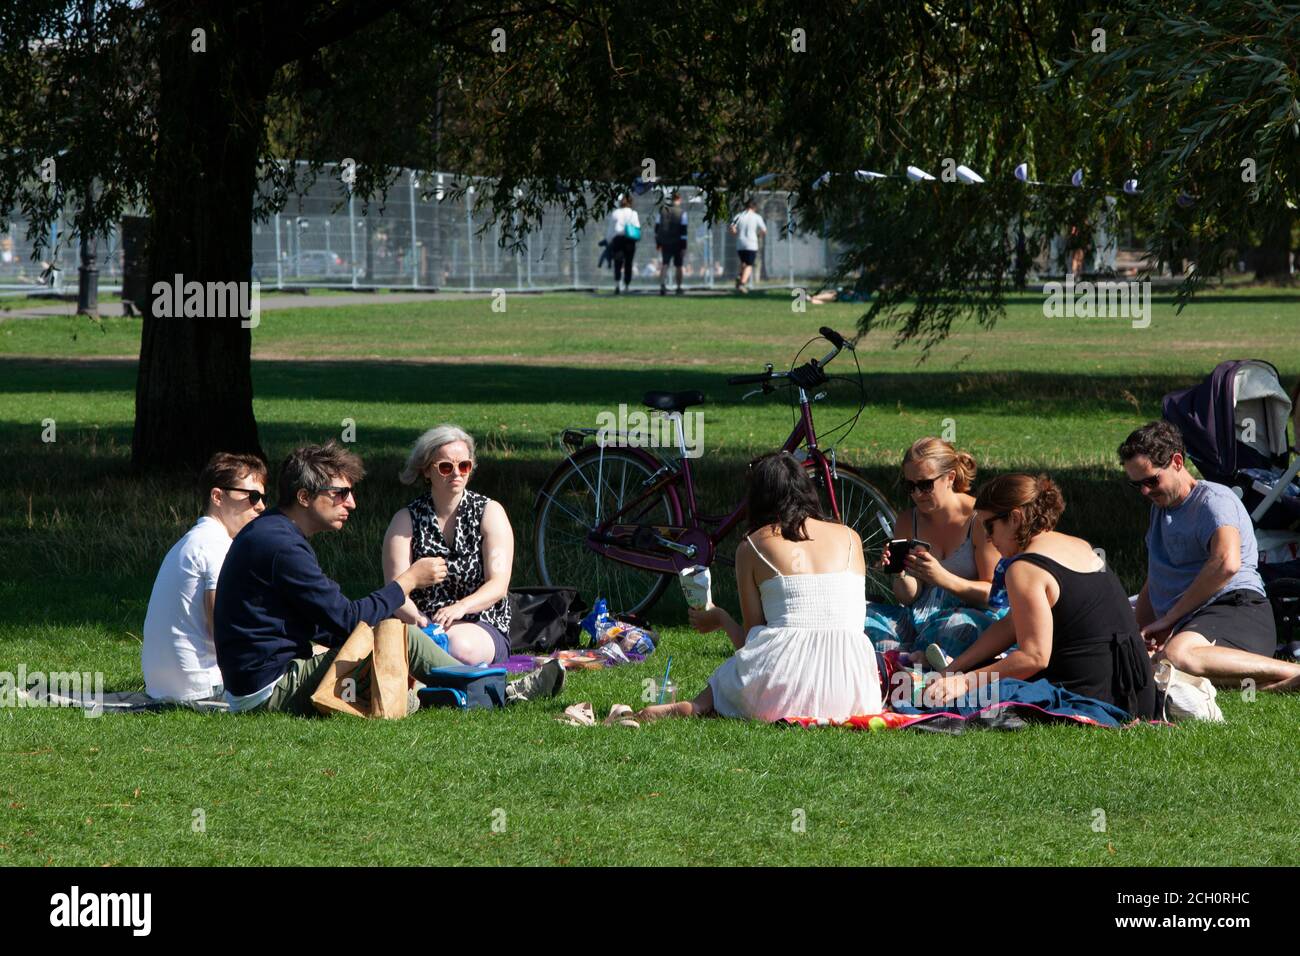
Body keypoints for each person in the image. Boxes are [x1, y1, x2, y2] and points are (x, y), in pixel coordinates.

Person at [214, 441, 562, 715]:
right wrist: (407, 582)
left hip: (257, 684)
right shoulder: (282, 547)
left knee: (391, 653)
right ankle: (501, 693)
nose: (351, 504)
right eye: (340, 494)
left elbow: (329, 624)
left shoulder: (275, 534)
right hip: (268, 690)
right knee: (401, 638)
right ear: (304, 497)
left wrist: (367, 637)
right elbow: (348, 621)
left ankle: (457, 694)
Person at [636, 452, 882, 723]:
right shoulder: (851, 537)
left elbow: (751, 644)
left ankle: (699, 704)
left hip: (782, 690)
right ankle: (699, 705)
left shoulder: (752, 546)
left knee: (730, 675)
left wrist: (720, 618)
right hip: (854, 690)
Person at [928, 474, 1157, 719]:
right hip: (1136, 691)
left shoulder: (1024, 569)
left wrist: (964, 683)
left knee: (960, 701)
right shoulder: (1079, 544)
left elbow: (1034, 657)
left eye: (989, 526)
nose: (986, 537)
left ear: (1015, 518)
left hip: (1090, 697)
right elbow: (1012, 624)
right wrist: (956, 669)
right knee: (979, 676)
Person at [1119, 421, 1300, 692]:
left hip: (1239, 610)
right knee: (1146, 664)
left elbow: (1226, 563)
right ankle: (1279, 685)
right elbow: (1155, 578)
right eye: (1137, 486)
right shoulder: (1161, 509)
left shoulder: (1214, 500)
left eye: (1151, 480)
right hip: (1195, 624)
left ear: (1177, 462)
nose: (1145, 491)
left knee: (1176, 657)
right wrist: (1137, 634)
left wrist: (1168, 620)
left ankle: (1293, 671)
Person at [383, 425, 514, 666]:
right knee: (427, 642)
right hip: (419, 623)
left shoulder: (489, 512)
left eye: (464, 466)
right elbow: (396, 591)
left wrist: (460, 608)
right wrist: (421, 622)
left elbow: (498, 585)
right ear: (426, 471)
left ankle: (429, 663)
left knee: (459, 647)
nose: (456, 473)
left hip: (480, 623)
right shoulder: (406, 519)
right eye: (445, 467)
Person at [141, 452, 267, 702]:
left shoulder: (194, 540)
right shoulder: (215, 545)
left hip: (164, 687)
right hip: (202, 688)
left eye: (262, 497)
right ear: (218, 496)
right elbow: (223, 629)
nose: (261, 506)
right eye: (252, 497)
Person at [865, 437, 1002, 663]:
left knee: (954, 627)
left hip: (968, 615)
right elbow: (908, 597)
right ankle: (917, 660)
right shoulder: (908, 521)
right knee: (863, 617)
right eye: (910, 486)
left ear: (950, 477)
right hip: (917, 617)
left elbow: (994, 595)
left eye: (925, 485)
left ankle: (902, 661)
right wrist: (899, 572)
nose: (917, 494)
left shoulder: (979, 519)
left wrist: (942, 578)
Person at [728, 198, 766, 292]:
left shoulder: (739, 216)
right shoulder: (756, 217)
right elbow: (764, 230)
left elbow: (732, 228)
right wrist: (758, 235)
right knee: (749, 265)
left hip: (740, 243)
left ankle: (740, 276)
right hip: (751, 243)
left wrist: (735, 232)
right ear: (754, 207)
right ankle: (742, 284)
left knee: (743, 263)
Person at [605, 194, 640, 294]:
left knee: (618, 262)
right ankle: (627, 285)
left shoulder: (616, 213)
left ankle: (617, 284)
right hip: (630, 240)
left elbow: (611, 229)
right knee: (628, 263)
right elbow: (637, 226)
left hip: (618, 240)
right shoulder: (634, 213)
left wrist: (609, 240)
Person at [655, 191, 688, 295]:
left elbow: (656, 229)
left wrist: (658, 243)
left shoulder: (661, 211)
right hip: (678, 243)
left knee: (665, 264)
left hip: (665, 242)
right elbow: (684, 231)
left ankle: (662, 286)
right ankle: (678, 287)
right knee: (679, 265)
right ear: (679, 199)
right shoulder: (682, 213)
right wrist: (684, 246)